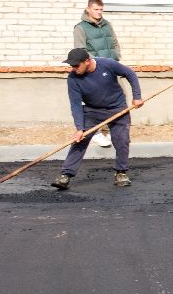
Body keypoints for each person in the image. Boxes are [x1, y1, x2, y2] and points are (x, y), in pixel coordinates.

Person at [55, 49, 144, 190]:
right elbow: (75, 105)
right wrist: (79, 128)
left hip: (117, 109)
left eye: (76, 65)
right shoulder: (73, 78)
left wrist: (137, 96)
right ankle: (66, 175)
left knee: (122, 140)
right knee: (80, 139)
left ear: (87, 61)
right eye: (71, 66)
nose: (73, 69)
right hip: (92, 111)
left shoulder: (107, 64)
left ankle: (121, 173)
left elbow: (130, 73)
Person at [73, 0, 120, 148]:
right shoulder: (80, 28)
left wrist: (115, 57)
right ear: (88, 9)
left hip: (110, 67)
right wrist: (97, 63)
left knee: (117, 97)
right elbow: (80, 50)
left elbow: (114, 42)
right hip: (94, 68)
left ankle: (115, 131)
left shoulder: (107, 25)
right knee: (97, 101)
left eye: (101, 9)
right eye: (96, 9)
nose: (99, 12)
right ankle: (98, 133)